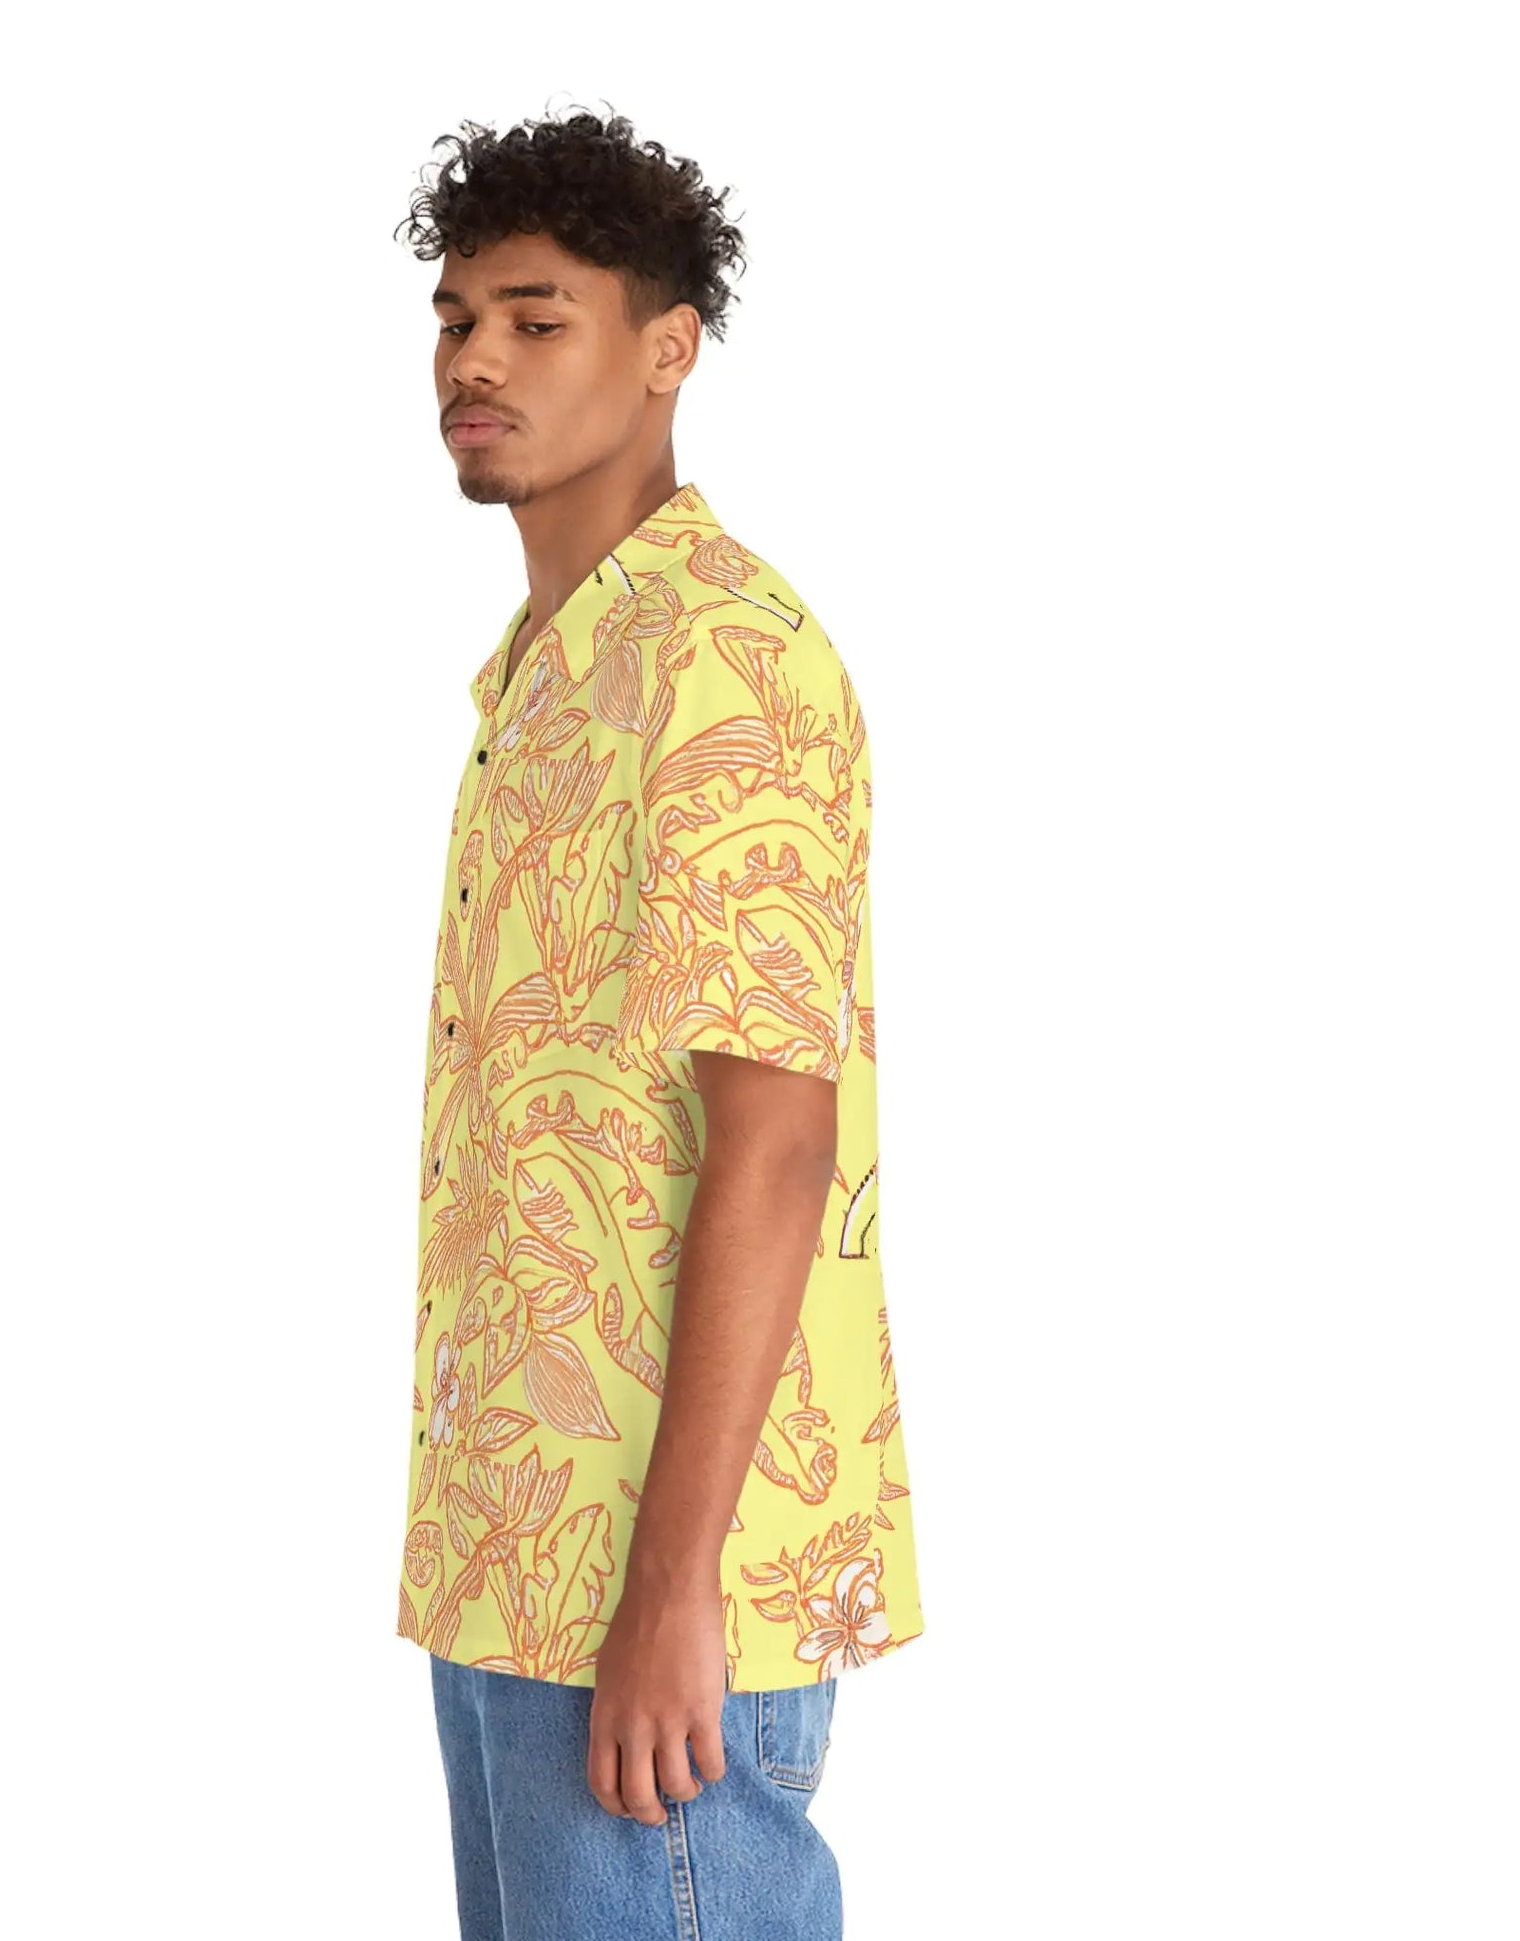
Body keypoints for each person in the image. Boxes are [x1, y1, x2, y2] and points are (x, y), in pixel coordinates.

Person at [390, 106, 927, 1940]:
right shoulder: (548, 675)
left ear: (666, 347)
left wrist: (672, 1585)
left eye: (535, 319)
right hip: (513, 1553)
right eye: (455, 318)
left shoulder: (719, 661)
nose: (474, 359)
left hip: (656, 1583)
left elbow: (775, 1145)